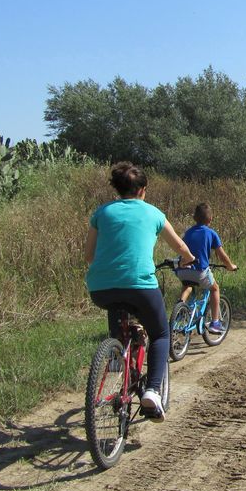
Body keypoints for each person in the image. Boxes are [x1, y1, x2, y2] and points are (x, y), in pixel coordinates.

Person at [84, 162, 196, 421]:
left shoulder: (102, 213)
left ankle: (115, 356)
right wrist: (188, 258)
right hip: (141, 287)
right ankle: (153, 391)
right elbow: (180, 247)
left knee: (117, 305)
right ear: (143, 190)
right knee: (160, 334)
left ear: (117, 189)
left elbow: (89, 255)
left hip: (100, 287)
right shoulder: (154, 214)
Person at [174, 202, 238, 334]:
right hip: (199, 272)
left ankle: (180, 309)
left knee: (187, 285)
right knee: (214, 289)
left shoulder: (188, 232)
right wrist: (230, 266)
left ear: (194, 218)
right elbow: (222, 256)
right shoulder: (211, 233)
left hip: (182, 271)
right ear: (210, 219)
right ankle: (215, 322)